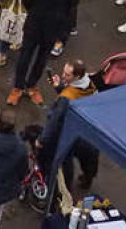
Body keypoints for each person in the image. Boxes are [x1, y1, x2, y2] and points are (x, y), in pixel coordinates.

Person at [7, 0, 79, 106]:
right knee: (24, 57)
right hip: (35, 25)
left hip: (52, 29)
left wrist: (62, 35)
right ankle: (18, 87)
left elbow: (71, 10)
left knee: (41, 60)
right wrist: (35, 14)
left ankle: (31, 86)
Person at [37, 60, 99, 191]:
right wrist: (60, 87)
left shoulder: (65, 98)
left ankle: (65, 189)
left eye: (67, 75)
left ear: (77, 77)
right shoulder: (89, 84)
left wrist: (42, 140)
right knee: (88, 158)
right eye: (63, 72)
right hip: (84, 130)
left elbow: (54, 120)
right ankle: (87, 179)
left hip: (67, 131)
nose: (63, 76)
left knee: (66, 160)